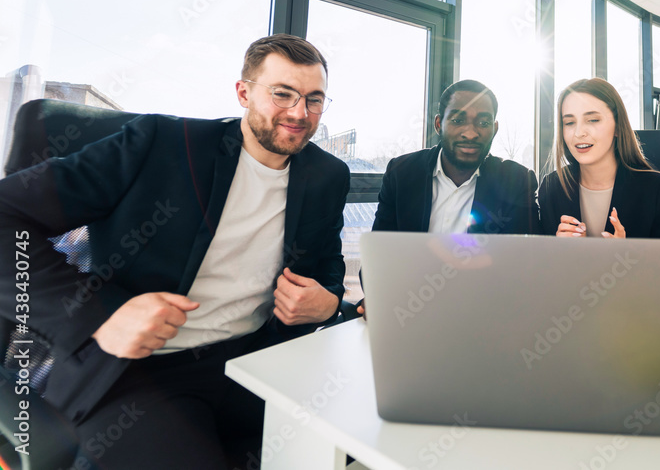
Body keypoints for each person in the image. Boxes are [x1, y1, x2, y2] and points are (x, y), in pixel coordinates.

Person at [0, 34, 350, 468]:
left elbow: (327, 266)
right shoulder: (162, 143)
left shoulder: (327, 175)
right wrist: (101, 313)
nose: (299, 113)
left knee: (356, 443)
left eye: (314, 100)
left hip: (258, 363)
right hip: (147, 372)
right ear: (243, 92)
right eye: (283, 94)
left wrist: (329, 300)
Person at [358, 80, 539, 314]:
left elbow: (525, 267)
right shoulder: (402, 173)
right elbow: (377, 259)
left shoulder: (516, 180)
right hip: (408, 310)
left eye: (483, 122)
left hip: (483, 315)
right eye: (457, 120)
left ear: (494, 129)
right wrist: (381, 296)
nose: (471, 133)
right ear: (438, 124)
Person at [538, 78, 660, 239]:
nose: (578, 133)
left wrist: (625, 255)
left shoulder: (658, 191)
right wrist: (558, 252)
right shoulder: (552, 188)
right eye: (569, 122)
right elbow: (538, 262)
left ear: (618, 126)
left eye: (592, 120)